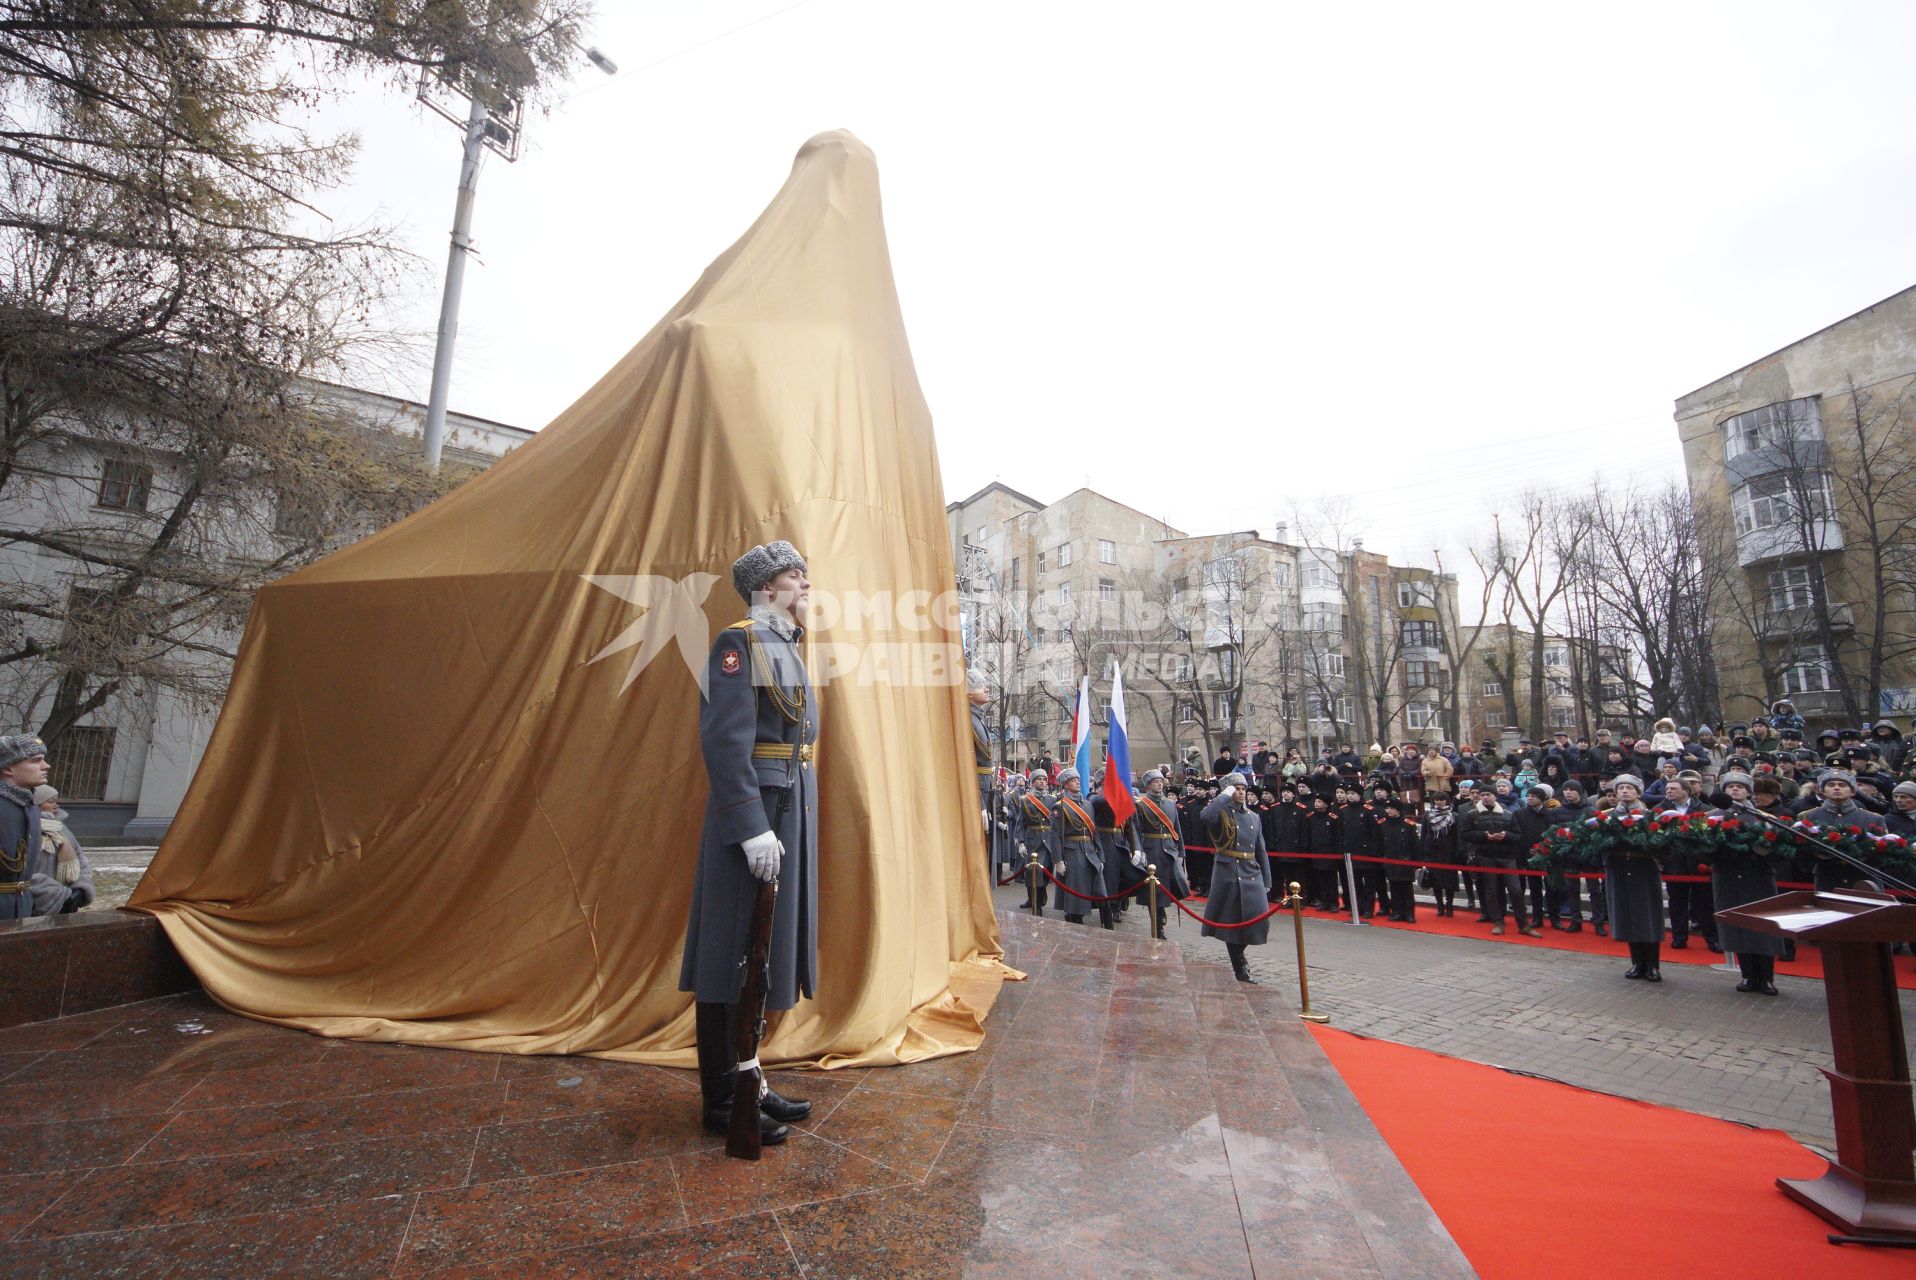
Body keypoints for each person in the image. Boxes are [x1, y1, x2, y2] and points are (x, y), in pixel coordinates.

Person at [682, 540, 817, 1146]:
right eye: (796, 577)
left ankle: (751, 1081)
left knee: (761, 958)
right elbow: (724, 741)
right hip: (757, 815)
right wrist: (749, 824)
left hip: (788, 805)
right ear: (766, 589)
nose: (806, 586)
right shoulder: (739, 644)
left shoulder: (786, 646)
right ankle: (721, 1098)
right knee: (729, 955)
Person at [1708, 771, 1786, 996]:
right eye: (1730, 786)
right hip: (1728, 875)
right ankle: (1748, 976)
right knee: (1737, 926)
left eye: (1740, 787)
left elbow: (1779, 851)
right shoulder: (1713, 816)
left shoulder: (1764, 817)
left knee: (1761, 927)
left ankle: (1766, 978)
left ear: (1749, 792)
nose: (1734, 790)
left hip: (1757, 876)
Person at [1201, 773, 1273, 983]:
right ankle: (1239, 963)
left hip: (1251, 871)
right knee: (1232, 921)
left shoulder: (1253, 816)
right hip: (1228, 872)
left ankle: (1239, 953)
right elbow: (1206, 816)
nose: (1241, 792)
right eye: (1236, 789)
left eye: (1243, 789)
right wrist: (1223, 796)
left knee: (1259, 919)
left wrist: (1267, 880)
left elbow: (1261, 849)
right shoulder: (1220, 813)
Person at [1603, 775, 1665, 982]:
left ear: (1638, 792)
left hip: (1643, 869)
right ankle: (1637, 963)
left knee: (1647, 916)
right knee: (1628, 916)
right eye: (1620, 788)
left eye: (1629, 788)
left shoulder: (1651, 816)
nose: (1624, 791)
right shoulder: (1607, 816)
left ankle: (1652, 965)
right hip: (1619, 869)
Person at [1459, 788, 1540, 937]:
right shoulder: (1472, 815)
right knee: (1492, 891)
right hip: (1485, 857)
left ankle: (1523, 925)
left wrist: (1505, 835)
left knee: (1515, 891)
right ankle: (1498, 922)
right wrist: (1484, 836)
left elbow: (1518, 836)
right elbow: (1465, 834)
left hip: (1507, 857)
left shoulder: (1508, 814)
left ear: (1494, 796)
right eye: (1482, 795)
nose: (1484, 798)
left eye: (1487, 795)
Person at [1657, 777, 1718, 953]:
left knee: (1704, 903)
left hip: (1698, 864)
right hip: (1674, 864)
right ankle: (1679, 938)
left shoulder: (1704, 810)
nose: (1668, 791)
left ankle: (1712, 939)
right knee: (1677, 902)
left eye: (1673, 788)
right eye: (1667, 788)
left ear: (1686, 790)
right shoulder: (1660, 810)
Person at [1131, 768, 1187, 935]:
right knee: (1152, 890)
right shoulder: (1140, 804)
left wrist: (1181, 852)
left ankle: (1161, 909)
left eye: (1161, 781)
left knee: (1170, 885)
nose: (1160, 784)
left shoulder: (1170, 804)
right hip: (1151, 848)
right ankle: (1157, 924)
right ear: (1148, 785)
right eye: (1156, 781)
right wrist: (1138, 850)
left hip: (1168, 849)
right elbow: (1136, 829)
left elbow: (1177, 830)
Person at [0, 735, 49, 922]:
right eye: (36, 761)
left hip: (21, 909)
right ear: (7, 767)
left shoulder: (30, 807)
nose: (46, 766)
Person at [1050, 768, 1106, 926]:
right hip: (1072, 851)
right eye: (1073, 780)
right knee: (1075, 890)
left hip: (1088, 850)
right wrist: (1058, 860)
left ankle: (1083, 916)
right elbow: (1055, 835)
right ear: (1066, 785)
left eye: (1078, 779)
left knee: (1092, 887)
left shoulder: (1087, 805)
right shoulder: (1059, 806)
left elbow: (1094, 832)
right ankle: (1074, 919)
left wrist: (1100, 854)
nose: (1077, 782)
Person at [29, 785, 91, 916]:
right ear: (36, 804)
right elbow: (24, 872)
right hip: (32, 905)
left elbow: (80, 859)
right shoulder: (27, 828)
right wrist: (58, 896)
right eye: (51, 801)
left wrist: (80, 889)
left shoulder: (61, 829)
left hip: (65, 906)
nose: (56, 806)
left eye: (56, 801)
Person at [1014, 772, 1057, 913]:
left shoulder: (1052, 800)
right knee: (1032, 872)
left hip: (1048, 841)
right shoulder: (1026, 800)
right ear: (1032, 782)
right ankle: (1035, 903)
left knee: (1045, 872)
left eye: (1045, 779)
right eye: (1039, 779)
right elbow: (1020, 822)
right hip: (1033, 840)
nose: (1043, 781)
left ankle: (1038, 896)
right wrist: (1020, 842)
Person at [1378, 796, 1419, 922]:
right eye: (1387, 808)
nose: (1389, 811)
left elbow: (1414, 845)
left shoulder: (1408, 825)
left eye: (1392, 808)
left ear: (1399, 810)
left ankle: (1409, 912)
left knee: (1407, 888)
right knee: (1394, 887)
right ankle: (1397, 911)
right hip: (1390, 860)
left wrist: (1416, 862)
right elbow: (1379, 844)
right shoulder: (1383, 824)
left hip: (1405, 861)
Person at [1421, 795, 1461, 916]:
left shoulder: (1454, 816)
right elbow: (1424, 833)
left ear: (1447, 801)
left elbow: (1457, 836)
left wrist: (1456, 852)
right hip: (1432, 851)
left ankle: (1449, 905)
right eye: (1437, 800)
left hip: (1448, 852)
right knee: (1435, 881)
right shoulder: (1428, 815)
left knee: (1450, 881)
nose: (1439, 802)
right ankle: (1439, 905)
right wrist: (1423, 850)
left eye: (1442, 800)